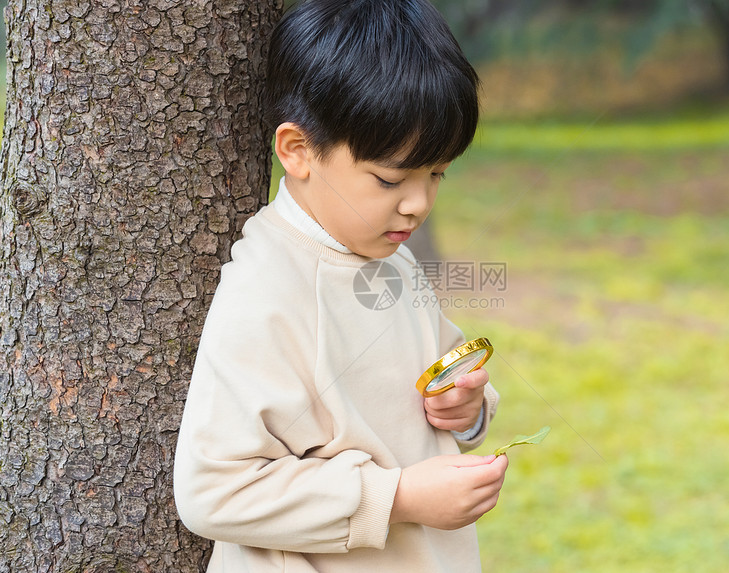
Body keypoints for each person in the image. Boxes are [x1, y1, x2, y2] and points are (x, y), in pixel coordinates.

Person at [172, 0, 508, 571]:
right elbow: (213, 491)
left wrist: (467, 406)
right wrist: (397, 497)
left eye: (437, 174)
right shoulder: (267, 292)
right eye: (390, 178)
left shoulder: (389, 260)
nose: (419, 203)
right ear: (299, 152)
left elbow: (440, 375)